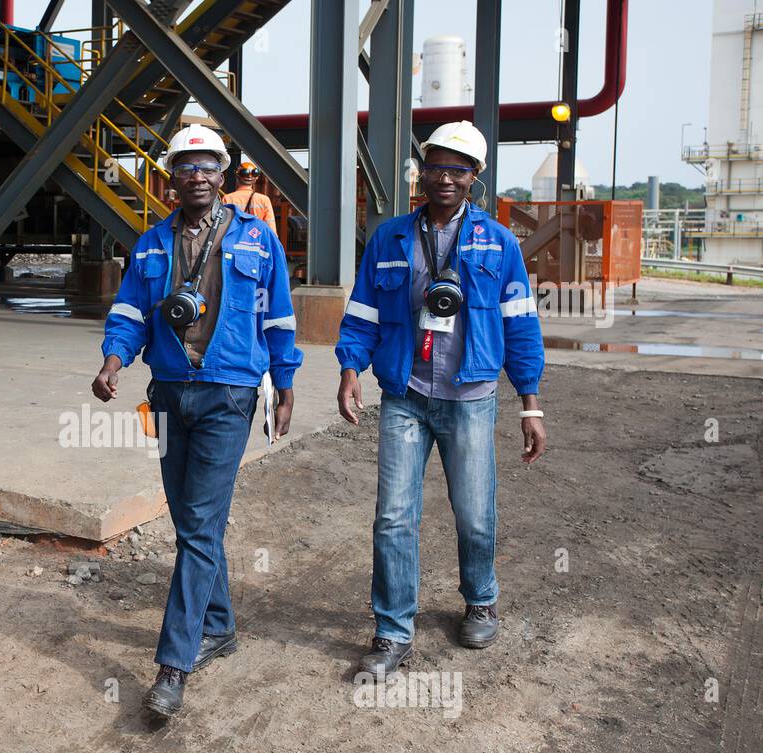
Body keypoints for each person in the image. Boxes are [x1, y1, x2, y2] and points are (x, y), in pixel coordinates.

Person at [93, 124, 302, 717]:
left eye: (208, 164)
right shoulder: (152, 244)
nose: (198, 175)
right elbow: (130, 312)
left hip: (229, 395)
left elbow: (280, 318)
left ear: (223, 171)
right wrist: (113, 362)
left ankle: (173, 664)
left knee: (201, 524)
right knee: (192, 522)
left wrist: (284, 386)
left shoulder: (259, 241)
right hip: (168, 395)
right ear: (172, 177)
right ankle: (220, 626)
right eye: (186, 166)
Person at [334, 119, 546, 679]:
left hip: (470, 395)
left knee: (475, 513)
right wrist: (350, 368)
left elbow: (520, 324)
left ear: (475, 177)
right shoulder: (391, 237)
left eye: (458, 169)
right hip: (405, 393)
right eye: (435, 167)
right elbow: (364, 311)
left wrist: (531, 401)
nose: (445, 178)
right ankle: (391, 630)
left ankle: (480, 598)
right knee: (393, 518)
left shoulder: (497, 242)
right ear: (421, 172)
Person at [224, 161, 276, 227]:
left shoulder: (228, 198)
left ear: (237, 176)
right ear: (256, 177)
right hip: (257, 236)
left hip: (236, 236)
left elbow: (223, 225)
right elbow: (271, 227)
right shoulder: (264, 200)